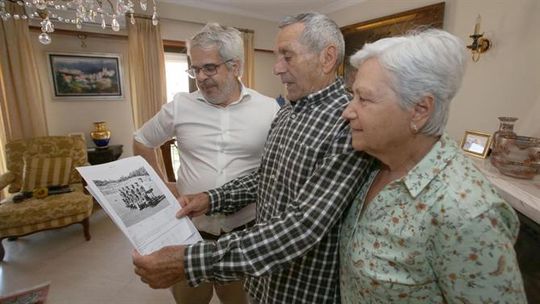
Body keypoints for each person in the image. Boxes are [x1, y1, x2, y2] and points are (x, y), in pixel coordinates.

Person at [133, 12, 373, 304]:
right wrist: (211, 198)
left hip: (301, 288)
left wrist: (185, 261)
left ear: (327, 58)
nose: (276, 68)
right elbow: (266, 176)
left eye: (287, 56)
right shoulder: (288, 112)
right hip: (263, 277)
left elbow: (302, 227)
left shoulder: (347, 122)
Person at [340, 29, 527, 303]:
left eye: (364, 99)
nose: (347, 111)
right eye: (352, 95)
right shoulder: (371, 164)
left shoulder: (467, 214)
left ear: (420, 110)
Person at [132, 23, 280, 304]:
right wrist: (163, 186)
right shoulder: (180, 106)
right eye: (195, 69)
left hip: (244, 234)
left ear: (235, 66)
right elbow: (142, 140)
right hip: (188, 233)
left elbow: (275, 170)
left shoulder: (269, 109)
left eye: (209, 68)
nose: (200, 77)